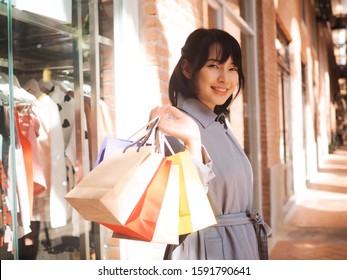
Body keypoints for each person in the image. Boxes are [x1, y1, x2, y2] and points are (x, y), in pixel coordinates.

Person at [150, 28, 271, 260]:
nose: (225, 78)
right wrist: (193, 142)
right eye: (214, 66)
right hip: (209, 252)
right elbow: (180, 207)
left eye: (232, 68)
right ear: (187, 69)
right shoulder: (176, 126)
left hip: (237, 246)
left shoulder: (219, 121)